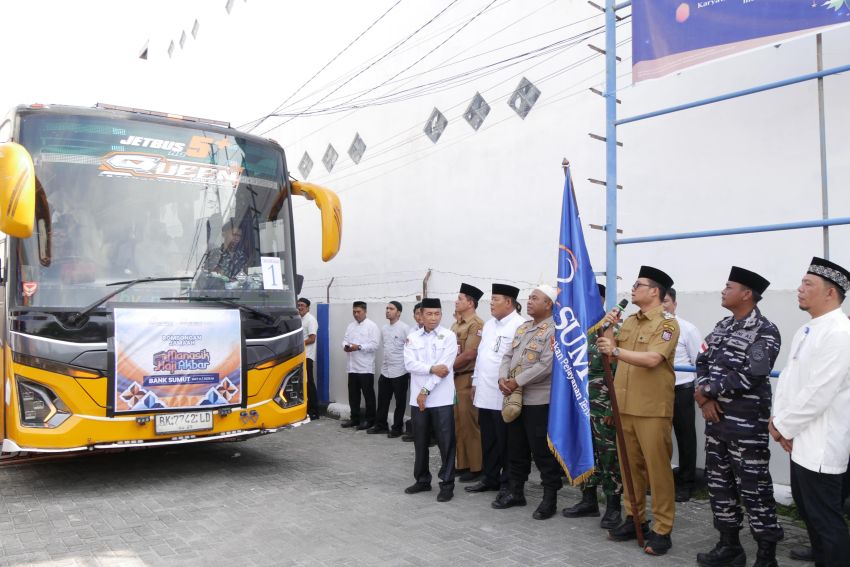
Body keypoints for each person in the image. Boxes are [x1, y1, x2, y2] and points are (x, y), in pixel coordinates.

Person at [694, 267, 784, 567]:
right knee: (719, 485)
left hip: (746, 427)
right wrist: (703, 396)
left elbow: (751, 376)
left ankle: (766, 555)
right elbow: (702, 359)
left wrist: (706, 392)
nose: (723, 290)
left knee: (755, 489)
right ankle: (729, 546)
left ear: (746, 294)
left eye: (729, 286)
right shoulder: (722, 326)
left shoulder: (765, 331)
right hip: (716, 422)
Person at [770, 257, 850, 567]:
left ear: (831, 293)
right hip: (799, 436)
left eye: (808, 284)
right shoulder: (806, 329)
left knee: (826, 517)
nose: (799, 289)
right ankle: (820, 552)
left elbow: (820, 391)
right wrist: (778, 422)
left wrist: (783, 427)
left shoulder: (840, 333)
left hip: (821, 442)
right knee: (808, 508)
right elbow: (790, 380)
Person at [596, 265, 679, 556]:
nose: (632, 289)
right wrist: (608, 325)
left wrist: (615, 351)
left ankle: (662, 528)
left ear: (654, 291)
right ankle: (635, 518)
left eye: (638, 285)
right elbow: (608, 347)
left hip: (652, 408)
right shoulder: (629, 320)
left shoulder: (667, 324)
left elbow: (653, 358)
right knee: (629, 467)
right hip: (625, 407)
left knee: (657, 471)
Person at [492, 285, 562, 520]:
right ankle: (516, 491)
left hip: (538, 400)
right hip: (514, 397)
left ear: (548, 304)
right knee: (516, 447)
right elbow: (508, 356)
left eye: (535, 298)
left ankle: (549, 498)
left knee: (541, 451)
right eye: (529, 297)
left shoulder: (554, 330)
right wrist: (504, 377)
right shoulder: (523, 328)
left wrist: (516, 382)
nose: (529, 301)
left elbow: (546, 365)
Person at [562, 283, 624, 530]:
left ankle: (613, 505)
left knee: (609, 456)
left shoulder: (613, 328)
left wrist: (612, 408)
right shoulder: (576, 331)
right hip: (579, 403)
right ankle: (588, 500)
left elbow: (620, 370)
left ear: (598, 300)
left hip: (603, 404)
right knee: (583, 451)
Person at [465, 283, 525, 497]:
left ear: (509, 302)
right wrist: (474, 382)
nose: (491, 303)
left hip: (504, 392)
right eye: (491, 299)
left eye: (496, 299)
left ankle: (508, 481)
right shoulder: (489, 325)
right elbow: (481, 356)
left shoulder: (521, 325)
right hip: (484, 390)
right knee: (488, 438)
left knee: (507, 440)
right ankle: (490, 478)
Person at [403, 298, 459, 502]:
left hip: (440, 398)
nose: (433, 318)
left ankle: (447, 483)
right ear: (421, 315)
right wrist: (430, 368)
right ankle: (422, 480)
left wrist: (425, 389)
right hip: (418, 401)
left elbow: (444, 368)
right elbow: (409, 364)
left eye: (437, 314)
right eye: (429, 314)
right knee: (420, 441)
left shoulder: (449, 336)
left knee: (446, 442)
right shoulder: (412, 337)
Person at [661, 287, 704, 503]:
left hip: (681, 390)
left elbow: (700, 361)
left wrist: (701, 391)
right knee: (658, 438)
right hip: (656, 391)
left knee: (685, 436)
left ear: (675, 304)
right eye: (660, 302)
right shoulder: (651, 329)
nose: (663, 306)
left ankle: (687, 484)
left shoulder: (687, 329)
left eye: (666, 301)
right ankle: (661, 481)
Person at [451, 283, 485, 482]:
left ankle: (476, 466)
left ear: (470, 303)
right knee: (458, 423)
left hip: (466, 377)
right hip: (454, 379)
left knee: (470, 423)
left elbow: (470, 354)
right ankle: (462, 464)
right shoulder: (456, 324)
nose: (456, 301)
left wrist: (447, 367)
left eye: (460, 299)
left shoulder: (476, 324)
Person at [369, 301, 410, 437]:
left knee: (400, 402)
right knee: (382, 400)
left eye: (391, 309)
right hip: (385, 370)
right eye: (387, 308)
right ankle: (381, 425)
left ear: (398, 312)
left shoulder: (405, 328)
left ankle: (397, 428)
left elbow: (409, 350)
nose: (387, 311)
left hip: (400, 371)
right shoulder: (384, 328)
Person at [340, 301, 381, 430]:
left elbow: (375, 345)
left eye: (358, 312)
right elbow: (345, 340)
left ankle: (370, 420)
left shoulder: (372, 326)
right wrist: (345, 347)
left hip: (365, 367)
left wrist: (359, 347)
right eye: (354, 312)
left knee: (368, 395)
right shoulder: (350, 326)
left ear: (365, 311)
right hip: (352, 366)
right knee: (353, 395)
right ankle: (355, 419)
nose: (356, 314)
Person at [401, 302, 424, 443]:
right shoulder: (412, 331)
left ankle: (430, 435)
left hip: (429, 374)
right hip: (414, 373)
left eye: (422, 313)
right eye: (417, 313)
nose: (420, 316)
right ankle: (416, 432)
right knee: (415, 403)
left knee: (428, 404)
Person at [297, 297, 320, 420]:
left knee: (309, 383)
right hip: (299, 356)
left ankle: (314, 411)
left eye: (302, 305)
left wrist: (298, 344)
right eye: (298, 305)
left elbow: (312, 339)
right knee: (302, 384)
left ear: (308, 307)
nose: (300, 307)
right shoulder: (299, 319)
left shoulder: (311, 320)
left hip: (307, 356)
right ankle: (306, 409)